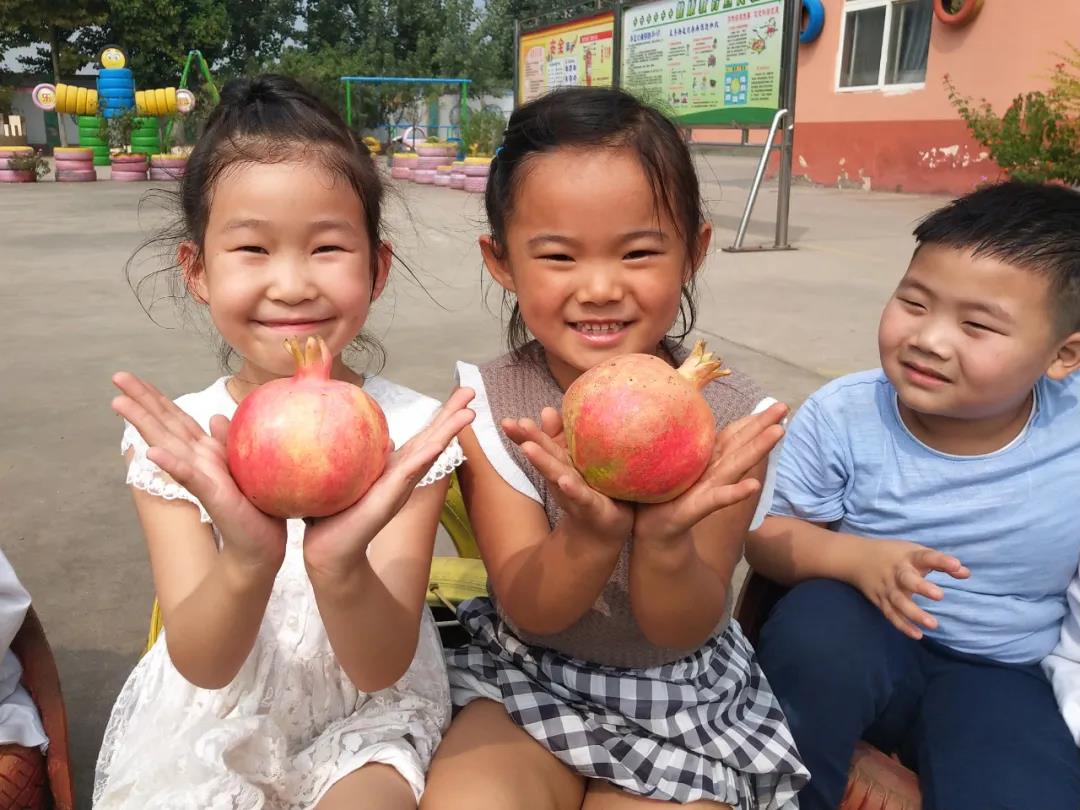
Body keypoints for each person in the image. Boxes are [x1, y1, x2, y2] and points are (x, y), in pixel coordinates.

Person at [93, 75, 474, 810]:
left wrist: (334, 561)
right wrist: (249, 556)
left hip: (371, 719)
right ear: (197, 271)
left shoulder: (410, 438)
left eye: (328, 246)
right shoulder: (181, 442)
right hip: (217, 715)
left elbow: (379, 664)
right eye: (253, 249)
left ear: (377, 267)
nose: (293, 284)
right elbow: (204, 664)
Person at [422, 87, 807, 810]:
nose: (599, 288)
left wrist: (662, 540)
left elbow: (683, 626)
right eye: (558, 256)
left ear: (693, 250)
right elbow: (530, 611)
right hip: (526, 674)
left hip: (681, 696)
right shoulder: (492, 409)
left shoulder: (732, 421)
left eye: (637, 252)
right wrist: (591, 535)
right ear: (500, 260)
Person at [747, 181, 1080, 810]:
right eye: (914, 302)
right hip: (862, 637)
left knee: (1024, 789)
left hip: (1000, 673)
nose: (929, 338)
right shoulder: (846, 414)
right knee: (818, 638)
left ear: (1064, 355)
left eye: (977, 325)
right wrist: (858, 560)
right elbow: (765, 537)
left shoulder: (1072, 432)